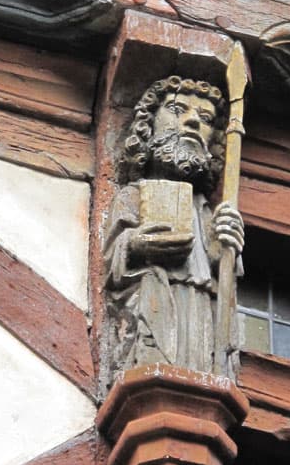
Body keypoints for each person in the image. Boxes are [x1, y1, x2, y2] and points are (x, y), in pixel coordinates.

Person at [104, 76, 244, 376]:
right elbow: (113, 255)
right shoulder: (133, 194)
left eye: (206, 119)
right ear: (148, 125)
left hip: (200, 308)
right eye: (178, 109)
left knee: (199, 368)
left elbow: (221, 276)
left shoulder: (205, 211)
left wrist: (226, 246)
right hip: (155, 300)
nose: (193, 122)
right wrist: (137, 245)